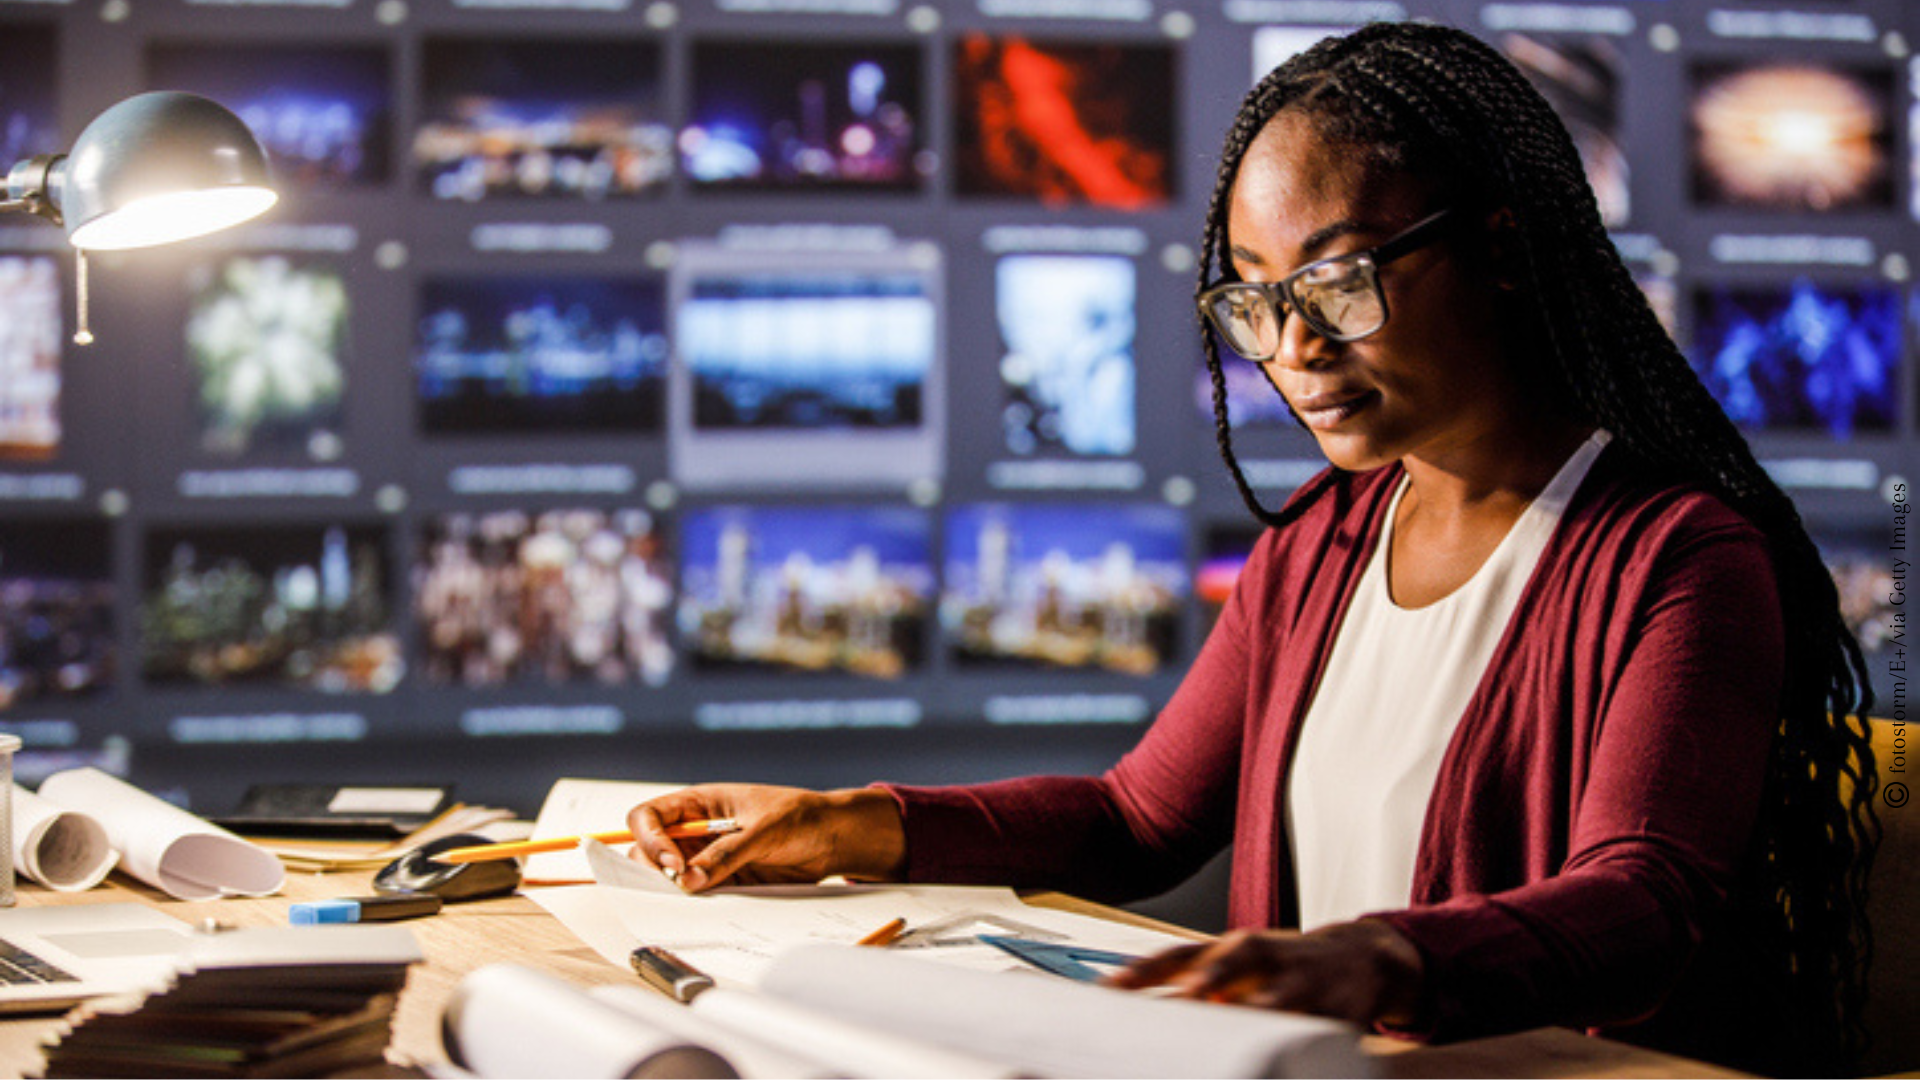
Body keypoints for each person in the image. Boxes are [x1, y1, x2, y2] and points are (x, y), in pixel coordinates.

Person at [628, 22, 1880, 1074]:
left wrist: (1377, 957)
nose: (1290, 347)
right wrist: (856, 824)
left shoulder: (1679, 559)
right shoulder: (1318, 548)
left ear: (1500, 248)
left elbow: (1645, 903)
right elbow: (1134, 820)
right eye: (1253, 295)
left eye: (1337, 282)